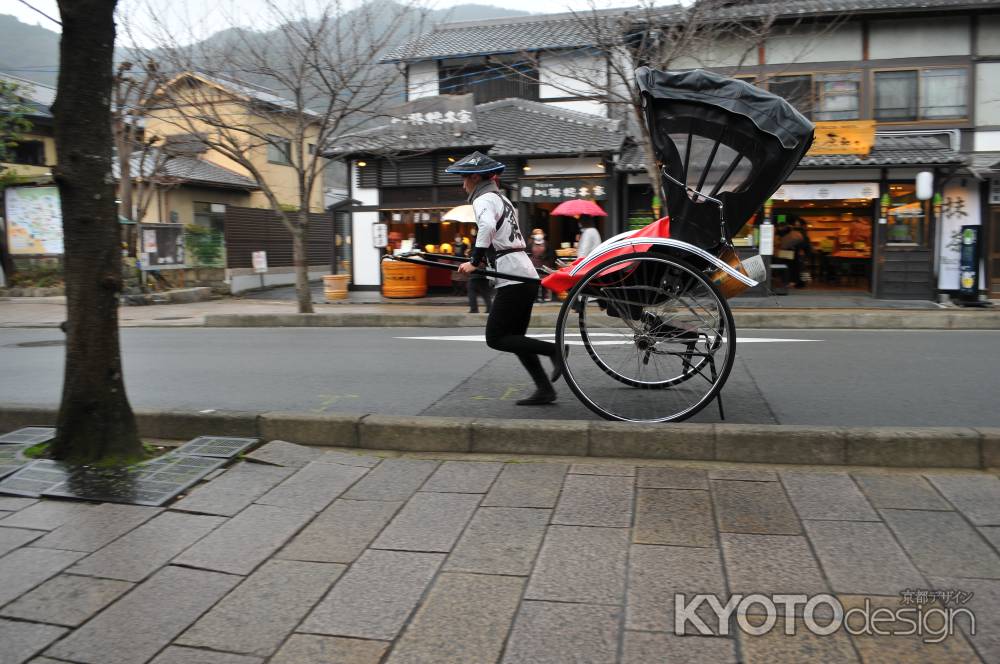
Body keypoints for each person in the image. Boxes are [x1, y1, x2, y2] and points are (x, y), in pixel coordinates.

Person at [452, 151, 562, 405]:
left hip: (513, 276)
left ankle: (553, 350)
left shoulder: (483, 200)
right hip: (524, 274)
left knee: (496, 338)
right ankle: (545, 389)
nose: (463, 184)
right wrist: (477, 260)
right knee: (517, 339)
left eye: (464, 179)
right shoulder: (502, 199)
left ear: (476, 177)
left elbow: (488, 228)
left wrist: (475, 261)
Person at [528, 227, 555, 302]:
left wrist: (545, 257)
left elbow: (550, 253)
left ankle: (543, 296)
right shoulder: (530, 243)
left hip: (544, 262)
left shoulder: (546, 244)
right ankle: (536, 297)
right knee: (535, 280)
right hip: (533, 262)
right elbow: (528, 251)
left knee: (544, 280)